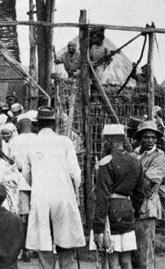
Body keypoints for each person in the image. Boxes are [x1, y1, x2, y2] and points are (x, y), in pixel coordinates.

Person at [24, 107, 85, 269]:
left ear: (37, 124)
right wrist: (74, 194)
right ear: (55, 124)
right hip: (63, 195)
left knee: (44, 241)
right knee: (65, 239)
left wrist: (36, 187)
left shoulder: (31, 143)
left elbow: (26, 175)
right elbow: (75, 174)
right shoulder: (64, 142)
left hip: (41, 196)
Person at [91, 124, 144, 269]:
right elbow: (140, 193)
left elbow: (102, 197)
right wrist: (135, 211)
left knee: (112, 260)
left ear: (110, 141)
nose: (103, 145)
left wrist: (98, 227)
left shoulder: (106, 162)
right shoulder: (136, 161)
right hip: (128, 211)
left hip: (111, 212)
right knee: (126, 260)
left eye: (104, 141)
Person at [132, 120, 165, 269]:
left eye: (153, 137)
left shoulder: (159, 156)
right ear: (140, 138)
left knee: (144, 254)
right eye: (146, 137)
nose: (151, 140)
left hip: (147, 208)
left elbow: (146, 184)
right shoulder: (134, 154)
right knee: (133, 254)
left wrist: (129, 178)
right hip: (132, 208)